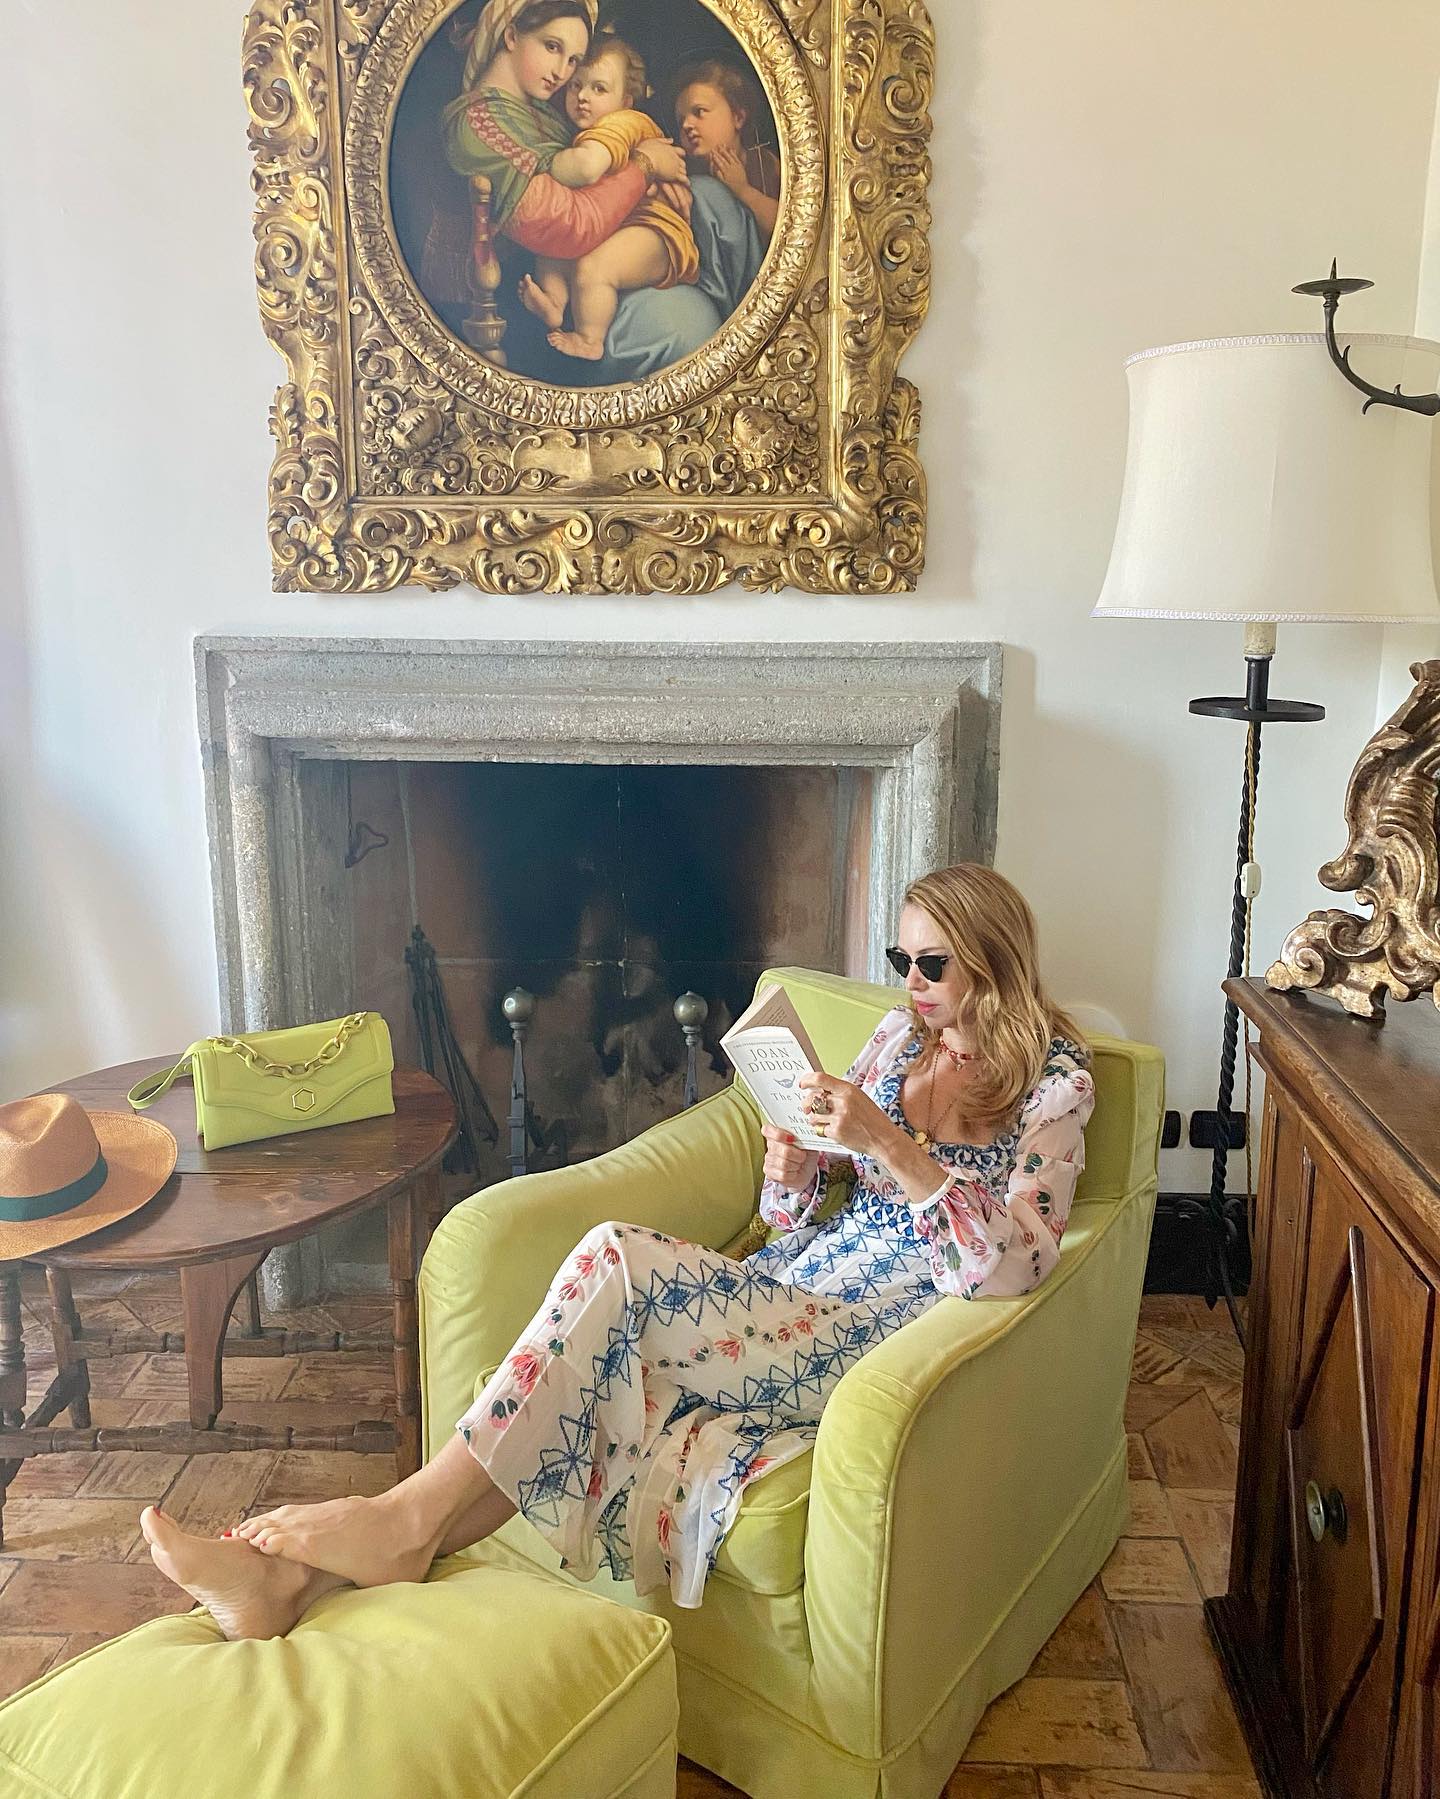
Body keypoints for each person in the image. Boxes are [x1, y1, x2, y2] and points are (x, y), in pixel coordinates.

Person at [139, 864, 1094, 1641]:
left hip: (880, 1331)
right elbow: (791, 1217)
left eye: (931, 963)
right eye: (900, 958)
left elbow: (1015, 1263)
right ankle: (293, 1583)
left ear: (990, 959)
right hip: (796, 1285)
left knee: (618, 1261)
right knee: (587, 1364)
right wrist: (796, 1163)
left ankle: (396, 1517)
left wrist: (889, 1144)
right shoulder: (896, 1041)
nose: (910, 982)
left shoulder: (1052, 1080)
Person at [519, 35, 701, 361]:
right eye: (576, 86)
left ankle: (590, 339)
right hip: (613, 227)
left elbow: (587, 167)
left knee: (593, 268)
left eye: (599, 89)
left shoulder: (621, 124)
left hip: (654, 234)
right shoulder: (584, 130)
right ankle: (554, 303)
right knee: (554, 244)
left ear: (626, 100)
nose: (583, 97)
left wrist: (549, 166)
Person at [675, 60, 781, 243]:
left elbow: (789, 224)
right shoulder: (685, 178)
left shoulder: (765, 164)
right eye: (680, 120)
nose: (686, 125)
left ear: (738, 117)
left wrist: (743, 190)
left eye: (699, 112)